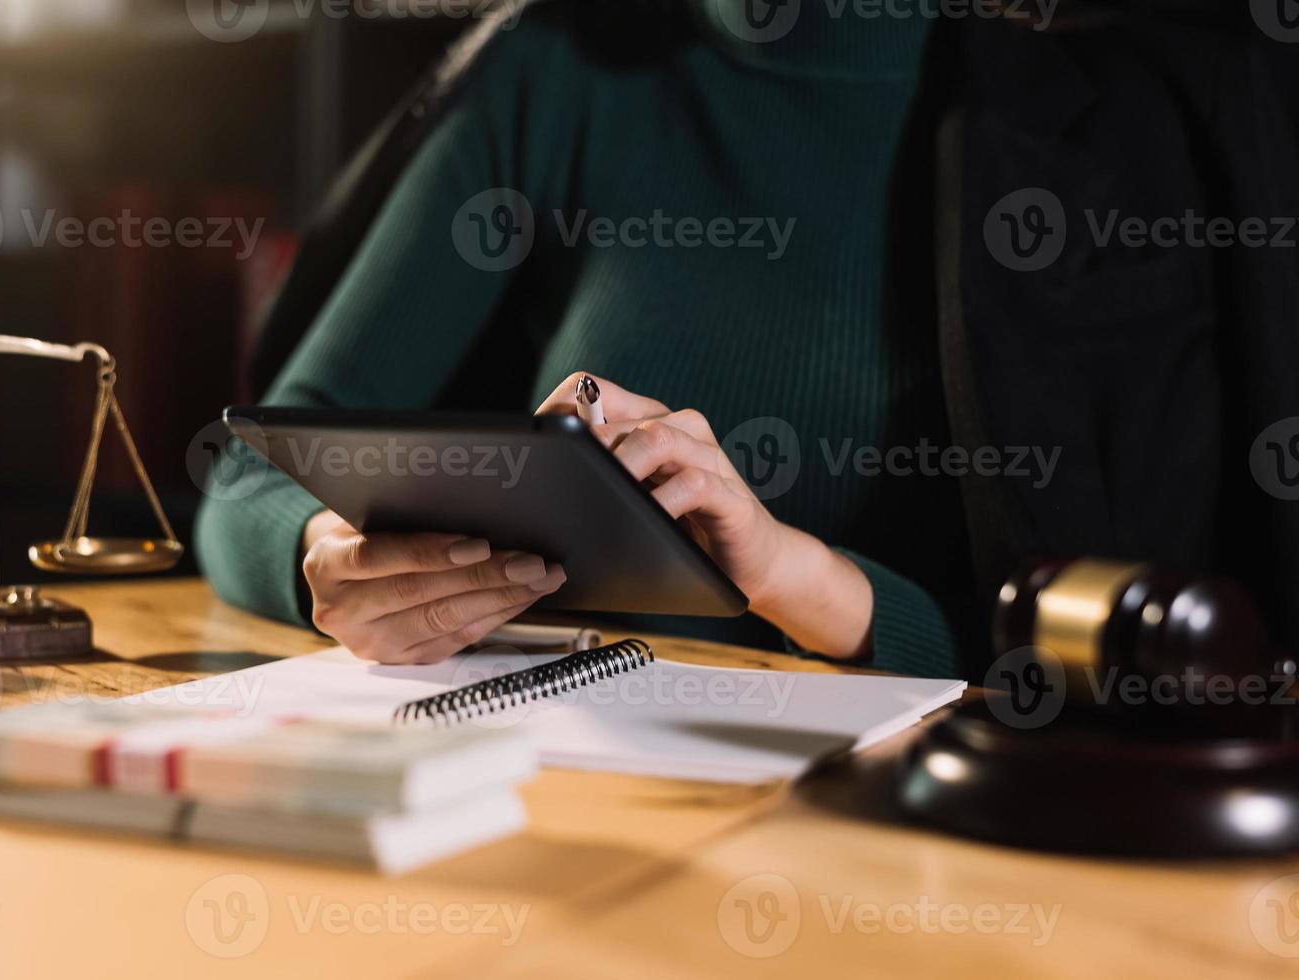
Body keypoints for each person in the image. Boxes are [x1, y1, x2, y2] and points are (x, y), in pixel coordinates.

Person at [196, 0, 1299, 678]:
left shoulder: (1126, 123)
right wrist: (321, 562)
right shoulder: (554, 66)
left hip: (920, 847)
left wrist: (792, 574)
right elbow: (248, 477)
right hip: (549, 785)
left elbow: (1147, 650)